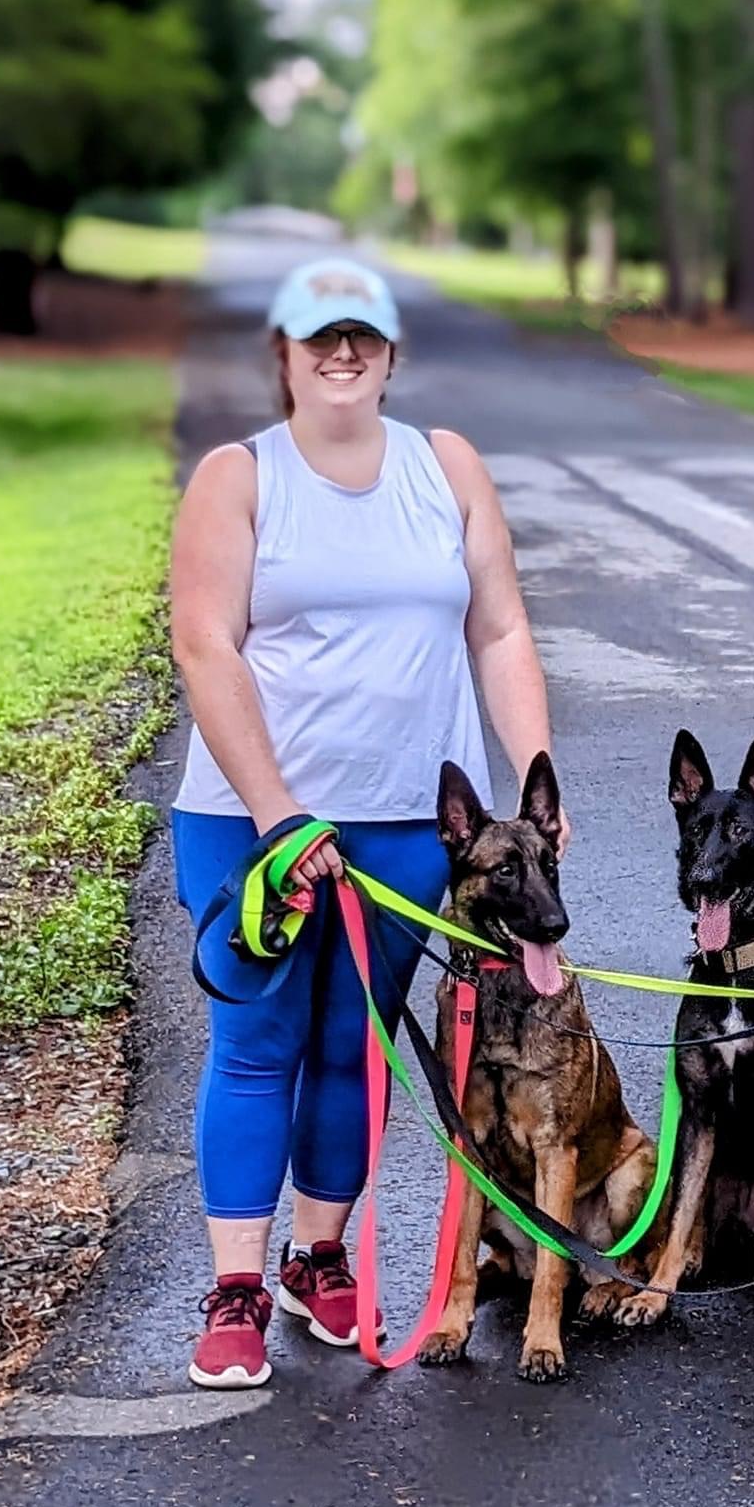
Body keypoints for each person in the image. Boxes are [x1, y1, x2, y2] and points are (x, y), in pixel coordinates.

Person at [169, 257, 564, 1389]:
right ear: (285, 353)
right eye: (319, 336)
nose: (341, 353)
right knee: (259, 1046)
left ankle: (319, 1257)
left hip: (402, 826)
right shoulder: (240, 477)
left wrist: (537, 779)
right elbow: (204, 644)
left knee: (355, 1046)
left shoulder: (446, 467)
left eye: (363, 336)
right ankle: (234, 1290)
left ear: (391, 353)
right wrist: (281, 814)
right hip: (253, 823)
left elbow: (499, 629)